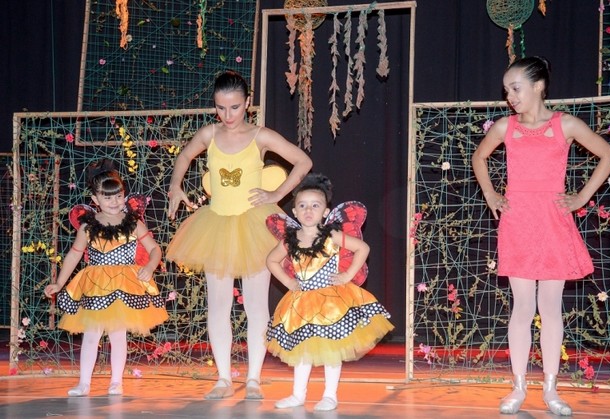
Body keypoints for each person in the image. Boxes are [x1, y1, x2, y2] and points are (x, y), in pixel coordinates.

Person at [472, 56, 610, 416]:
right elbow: (479, 157)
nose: (510, 96)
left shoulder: (564, 124)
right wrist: (491, 193)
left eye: (516, 88)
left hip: (553, 220)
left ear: (539, 86)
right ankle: (518, 387)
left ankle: (551, 389)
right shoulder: (506, 127)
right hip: (519, 220)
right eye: (506, 91)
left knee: (550, 308)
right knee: (522, 307)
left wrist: (582, 197)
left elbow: (608, 154)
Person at [165, 70, 312, 400]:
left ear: (247, 103)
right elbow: (185, 156)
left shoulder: (261, 136)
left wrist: (276, 195)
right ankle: (223, 379)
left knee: (257, 307)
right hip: (216, 225)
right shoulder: (209, 134)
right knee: (217, 307)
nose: (227, 115)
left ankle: (254, 379)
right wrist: (175, 185)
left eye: (234, 107)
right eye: (220, 108)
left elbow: (303, 161)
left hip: (254, 227)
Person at [264, 173, 394, 411]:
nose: (308, 210)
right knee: (303, 350)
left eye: (315, 205)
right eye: (302, 206)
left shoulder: (331, 236)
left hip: (332, 302)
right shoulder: (289, 240)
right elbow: (271, 261)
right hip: (301, 304)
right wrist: (289, 283)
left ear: (325, 211)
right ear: (294, 212)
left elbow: (362, 248)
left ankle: (330, 395)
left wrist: (346, 276)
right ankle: (297, 394)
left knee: (331, 349)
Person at [44, 159, 168, 397]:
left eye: (119, 196)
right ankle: (84, 383)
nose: (114, 202)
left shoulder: (133, 223)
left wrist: (151, 266)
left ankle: (116, 381)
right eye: (108, 197)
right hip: (95, 284)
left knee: (118, 334)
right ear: (95, 200)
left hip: (125, 283)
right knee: (92, 334)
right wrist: (59, 282)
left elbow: (155, 249)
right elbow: (73, 255)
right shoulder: (87, 226)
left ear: (124, 195)